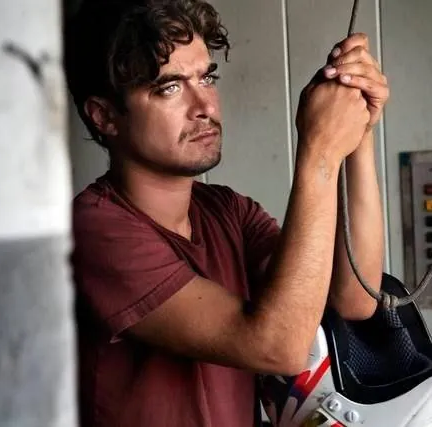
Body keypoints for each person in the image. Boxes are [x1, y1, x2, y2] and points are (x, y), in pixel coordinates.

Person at [64, 0, 389, 426]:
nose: (205, 106)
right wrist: (320, 151)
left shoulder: (228, 211)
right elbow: (279, 346)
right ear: (104, 116)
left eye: (207, 78)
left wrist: (357, 130)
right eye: (170, 87)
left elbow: (354, 299)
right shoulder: (94, 228)